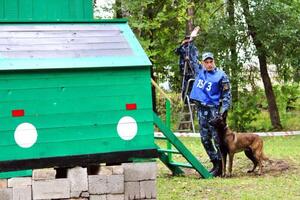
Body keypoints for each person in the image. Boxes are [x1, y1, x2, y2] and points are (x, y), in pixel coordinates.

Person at [189, 52, 231, 177]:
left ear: (214, 61)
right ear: (203, 63)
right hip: (201, 109)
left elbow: (227, 95)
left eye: (211, 61)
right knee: (205, 138)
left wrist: (223, 112)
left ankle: (222, 166)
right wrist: (189, 43)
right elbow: (191, 58)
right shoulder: (199, 72)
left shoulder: (221, 75)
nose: (209, 64)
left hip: (214, 110)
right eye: (206, 62)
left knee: (217, 139)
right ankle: (215, 162)